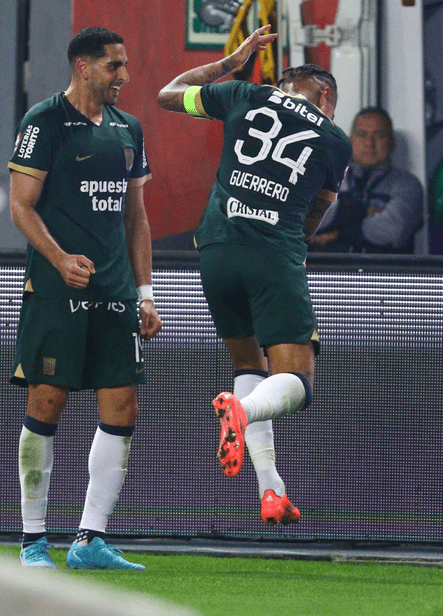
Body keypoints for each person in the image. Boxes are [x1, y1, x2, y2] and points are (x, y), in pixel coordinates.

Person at [157, 26, 351, 525]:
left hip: (216, 250)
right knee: (297, 381)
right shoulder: (333, 140)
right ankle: (240, 415)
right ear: (324, 94)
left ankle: (271, 490)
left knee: (251, 368)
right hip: (272, 253)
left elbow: (167, 94)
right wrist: (292, 252)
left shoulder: (244, 92)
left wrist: (234, 61)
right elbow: (313, 216)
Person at [8, 26, 162, 570]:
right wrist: (59, 259)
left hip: (116, 291)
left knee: (122, 406)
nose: (124, 75)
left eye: (124, 64)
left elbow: (136, 217)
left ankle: (89, 539)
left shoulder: (129, 128)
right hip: (56, 289)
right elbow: (21, 206)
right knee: (46, 402)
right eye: (113, 65)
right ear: (83, 67)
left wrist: (145, 294)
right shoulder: (43, 122)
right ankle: (32, 542)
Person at [308, 107, 423, 253]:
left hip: (384, 273)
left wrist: (338, 234)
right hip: (328, 273)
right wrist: (360, 209)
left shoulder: (408, 185)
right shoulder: (325, 178)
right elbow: (306, 219)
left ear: (392, 143)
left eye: (379, 135)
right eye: (362, 135)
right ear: (349, 142)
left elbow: (393, 229)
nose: (369, 143)